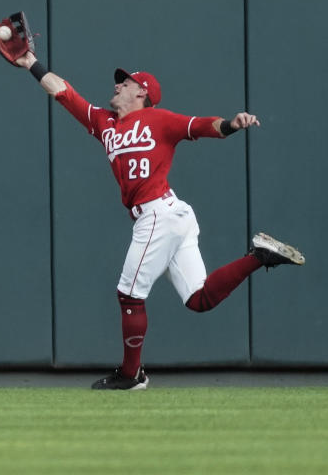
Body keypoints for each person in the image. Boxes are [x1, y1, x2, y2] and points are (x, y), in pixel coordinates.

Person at [16, 51, 305, 390]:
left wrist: (230, 124)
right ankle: (259, 255)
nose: (117, 84)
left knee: (129, 294)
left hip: (158, 214)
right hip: (170, 214)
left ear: (142, 92)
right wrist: (30, 63)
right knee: (199, 299)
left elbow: (200, 126)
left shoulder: (159, 119)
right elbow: (63, 92)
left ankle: (130, 374)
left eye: (125, 82)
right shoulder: (104, 123)